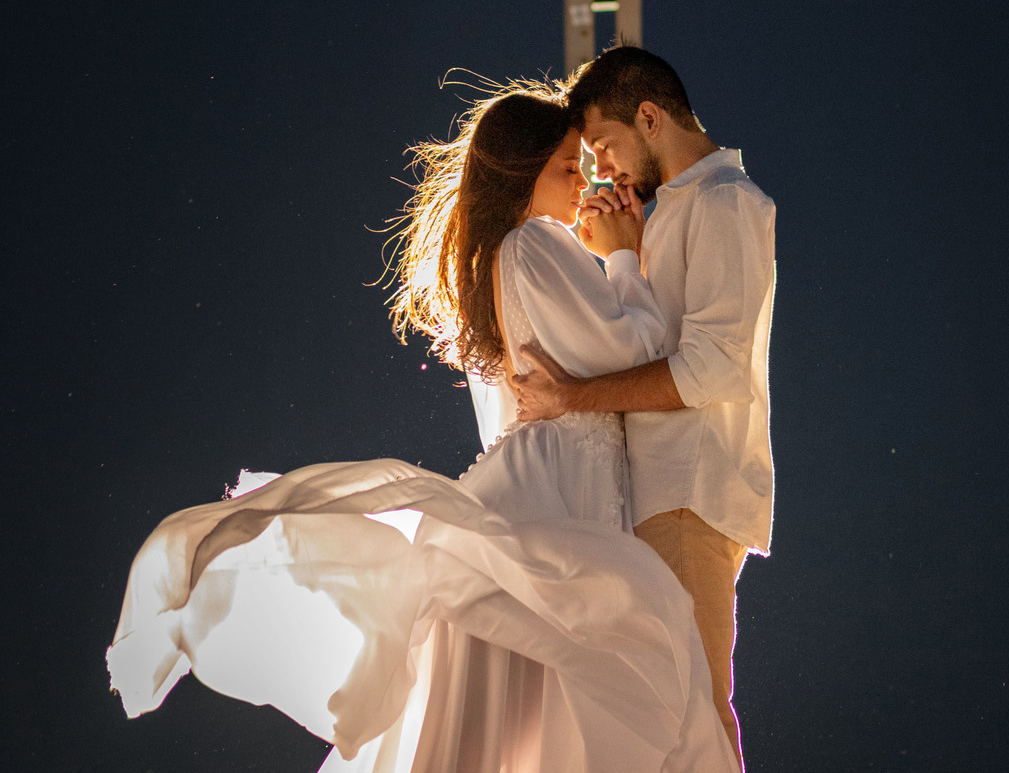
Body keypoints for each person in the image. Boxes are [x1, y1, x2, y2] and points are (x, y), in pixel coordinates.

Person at [107, 84, 738, 773]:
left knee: (524, 698)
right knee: (564, 677)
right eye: (566, 166)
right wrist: (623, 253)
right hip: (555, 492)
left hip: (555, 485)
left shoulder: (517, 252)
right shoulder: (534, 242)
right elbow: (634, 348)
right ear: (524, 174)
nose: (579, 183)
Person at [513, 47, 776, 770]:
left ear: (651, 117)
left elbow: (714, 367)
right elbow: (641, 344)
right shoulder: (674, 212)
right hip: (660, 496)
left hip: (687, 494)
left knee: (692, 710)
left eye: (604, 147)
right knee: (665, 713)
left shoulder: (727, 203)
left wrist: (570, 397)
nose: (603, 170)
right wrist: (621, 256)